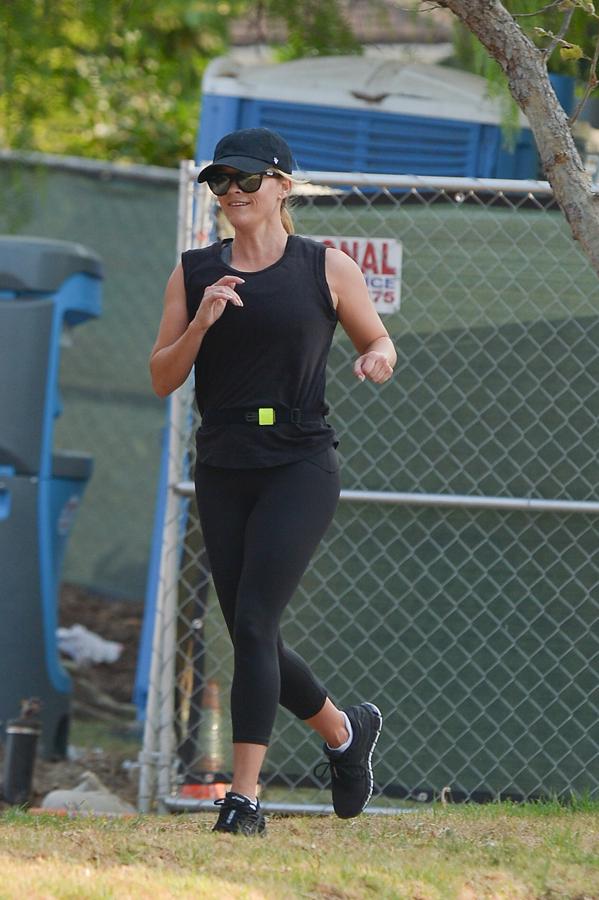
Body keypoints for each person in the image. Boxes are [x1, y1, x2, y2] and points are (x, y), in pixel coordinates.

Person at [150, 127, 397, 835]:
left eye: (246, 181)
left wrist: (378, 358)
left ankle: (244, 798)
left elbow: (375, 338)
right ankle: (346, 733)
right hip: (223, 460)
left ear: (283, 186)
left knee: (255, 623)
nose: (231, 193)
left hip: (298, 459)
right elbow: (162, 376)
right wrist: (200, 321)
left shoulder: (324, 265)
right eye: (219, 182)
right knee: (252, 633)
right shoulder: (193, 272)